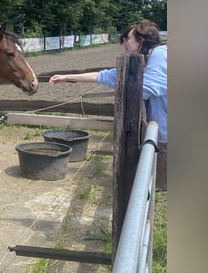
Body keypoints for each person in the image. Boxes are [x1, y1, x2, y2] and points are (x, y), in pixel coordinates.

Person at [49, 19, 167, 189]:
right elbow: (104, 76)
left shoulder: (160, 56)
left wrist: (123, 80)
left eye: (128, 39)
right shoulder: (142, 60)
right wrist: (66, 77)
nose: (124, 43)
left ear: (141, 41)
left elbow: (143, 89)